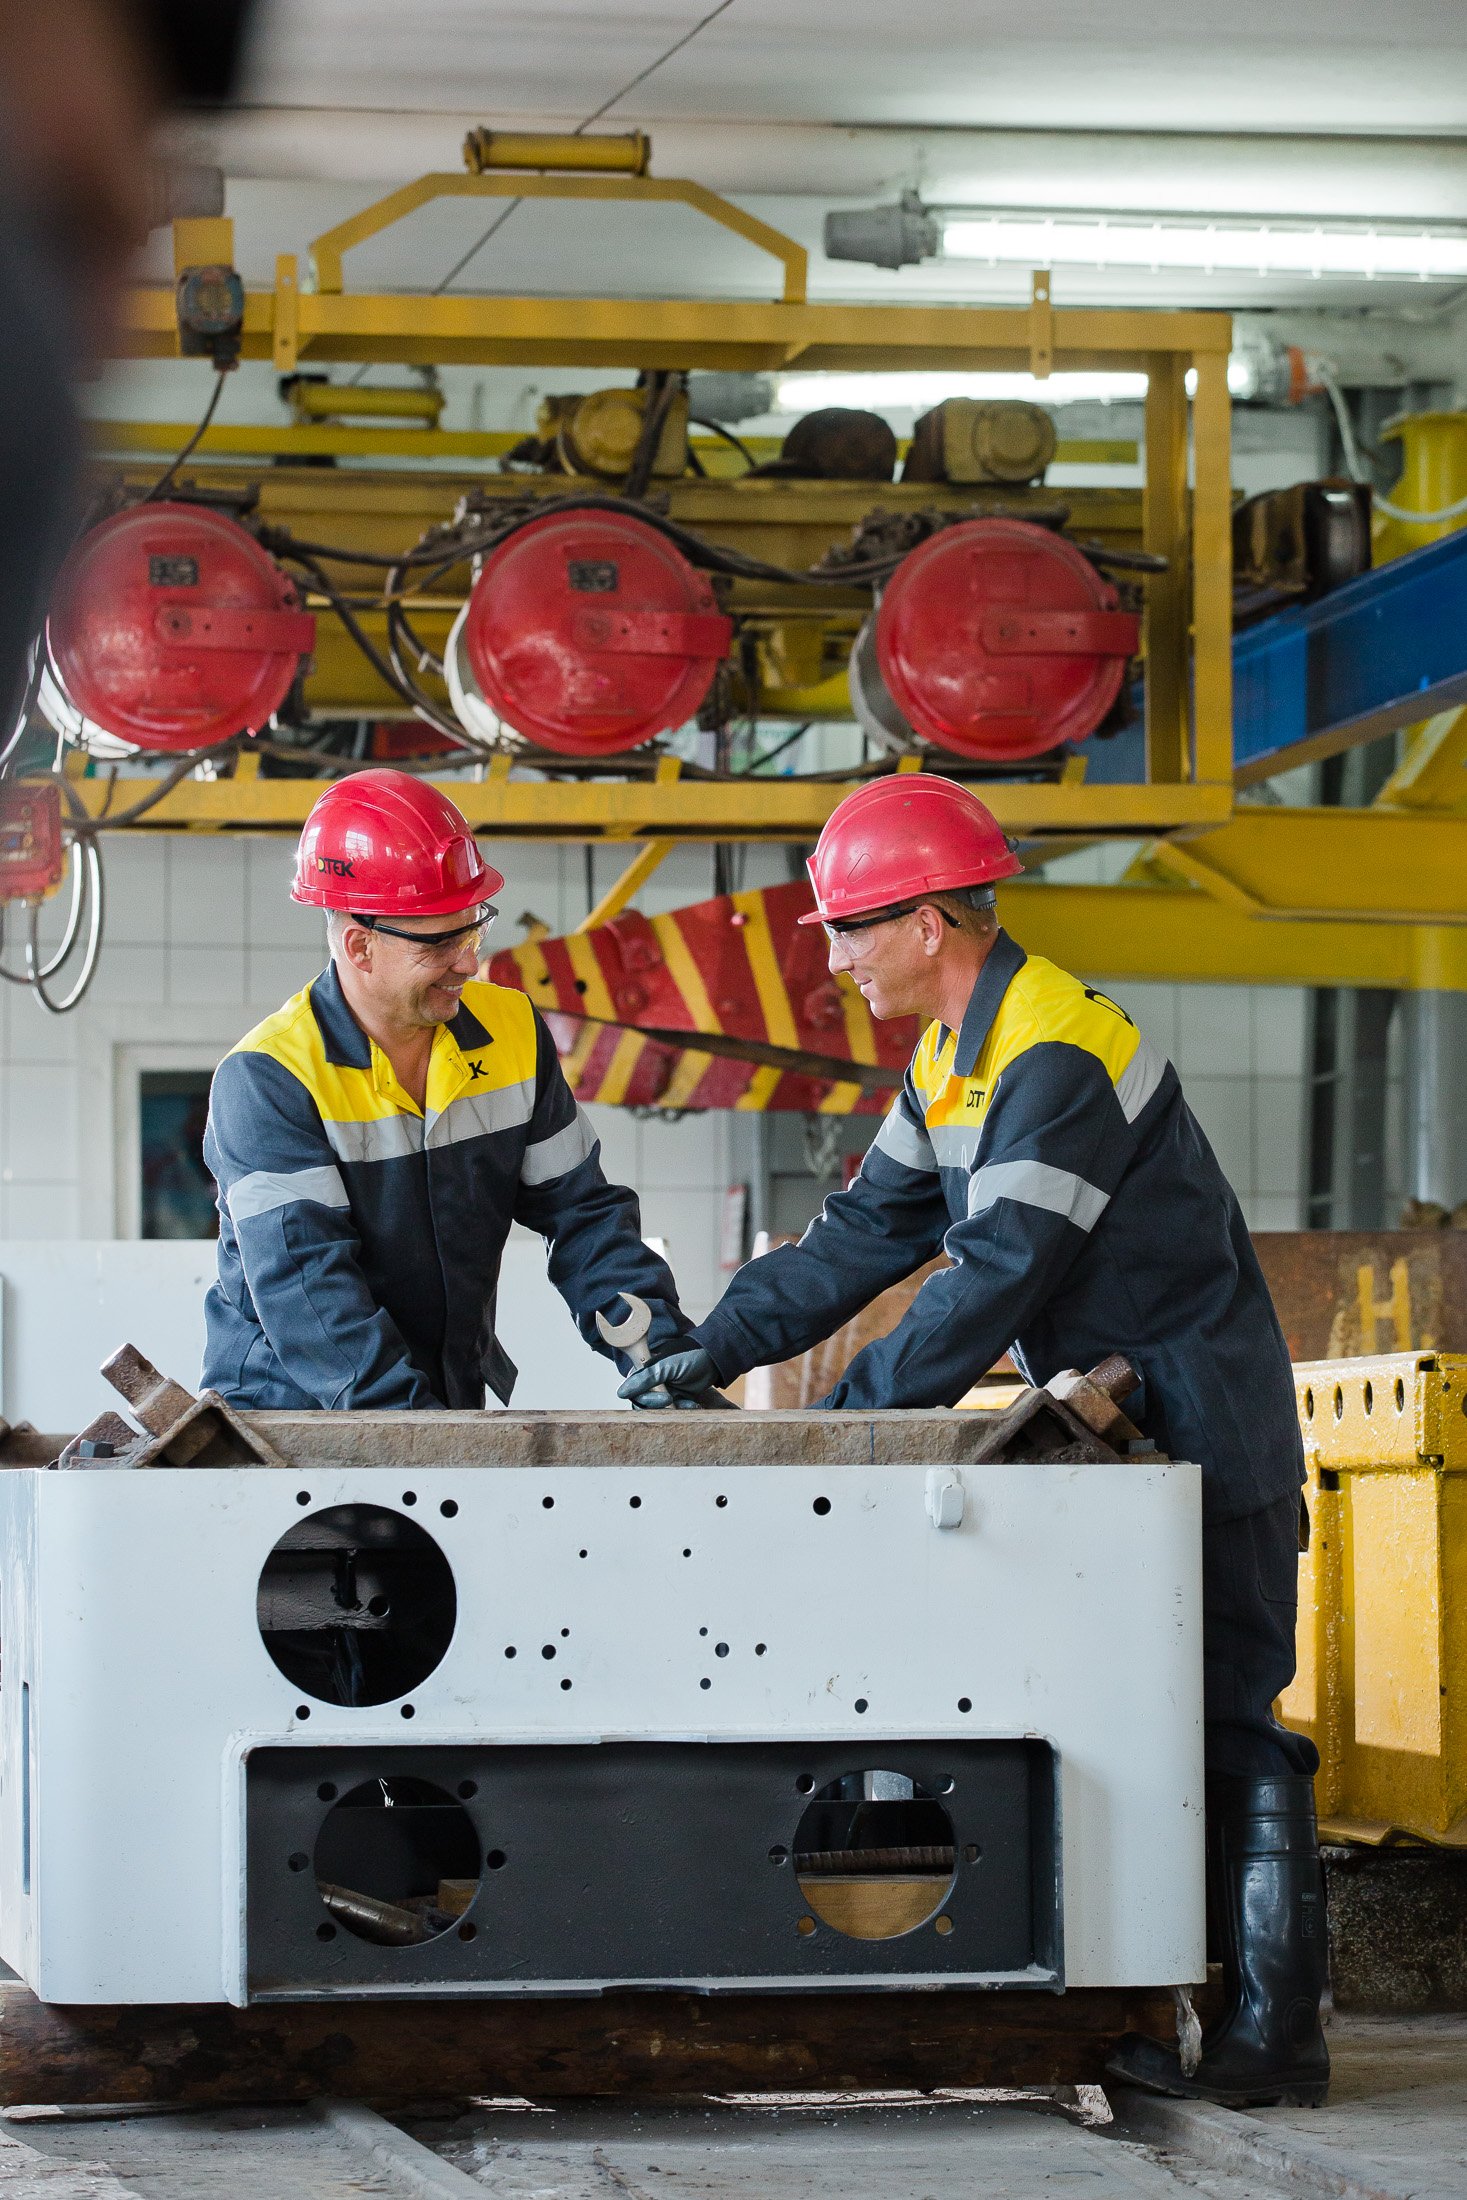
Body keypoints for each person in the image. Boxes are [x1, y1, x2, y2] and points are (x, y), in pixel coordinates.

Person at [621, 771, 1328, 2110]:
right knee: (1135, 1723)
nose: (835, 961)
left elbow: (994, 1273)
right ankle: (1171, 2007)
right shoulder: (950, 1058)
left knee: (1228, 1725)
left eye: (849, 931)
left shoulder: (1053, 1053)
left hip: (1205, 1435)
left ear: (928, 923)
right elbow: (859, 1238)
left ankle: (1275, 2037)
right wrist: (715, 1344)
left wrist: (841, 1432)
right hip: (1116, 1447)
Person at [202, 769, 692, 1410]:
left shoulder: (512, 1031)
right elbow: (310, 1293)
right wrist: (420, 1434)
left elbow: (582, 1214)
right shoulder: (269, 1080)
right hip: (292, 1418)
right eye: (440, 943)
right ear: (360, 946)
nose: (469, 961)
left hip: (441, 1400)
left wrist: (654, 1349)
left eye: (473, 929)